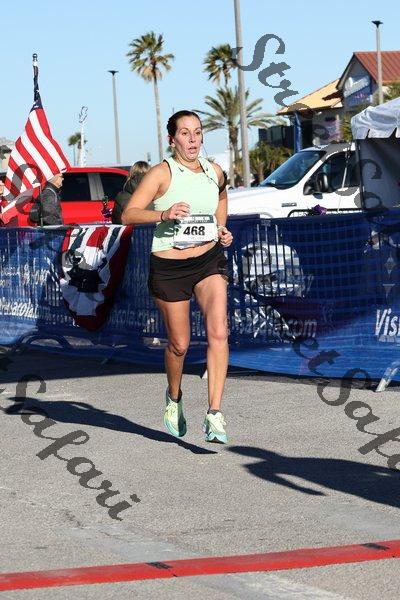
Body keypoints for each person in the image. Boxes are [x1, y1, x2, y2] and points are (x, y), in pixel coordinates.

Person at [122, 110, 233, 443]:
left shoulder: (214, 171)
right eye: (185, 133)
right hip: (170, 268)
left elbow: (222, 196)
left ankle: (215, 414)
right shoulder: (162, 173)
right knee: (180, 345)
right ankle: (174, 397)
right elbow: (129, 213)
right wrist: (164, 214)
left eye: (197, 132)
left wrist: (220, 228)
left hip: (208, 261)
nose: (193, 139)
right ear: (172, 140)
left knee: (218, 332)